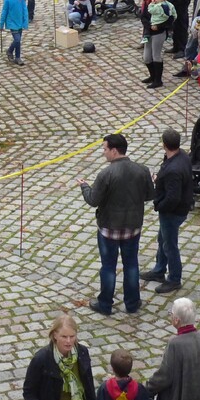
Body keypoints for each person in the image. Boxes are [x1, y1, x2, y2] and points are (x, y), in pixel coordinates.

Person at [78, 133, 155, 316]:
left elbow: (93, 200)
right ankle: (132, 303)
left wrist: (84, 186)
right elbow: (150, 195)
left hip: (108, 229)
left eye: (105, 149)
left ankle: (105, 303)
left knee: (108, 266)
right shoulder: (142, 170)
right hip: (132, 227)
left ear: (114, 150)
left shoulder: (106, 174)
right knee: (131, 265)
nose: (104, 153)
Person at [140, 129, 194, 295]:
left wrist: (159, 205)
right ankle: (159, 269)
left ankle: (174, 279)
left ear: (164, 144)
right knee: (162, 238)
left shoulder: (173, 170)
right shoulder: (182, 156)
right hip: (177, 209)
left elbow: (172, 198)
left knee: (170, 245)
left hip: (172, 212)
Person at [142, 0, 176, 89]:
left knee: (156, 55)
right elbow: (143, 17)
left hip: (159, 33)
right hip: (149, 32)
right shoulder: (150, 4)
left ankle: (158, 80)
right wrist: (149, 26)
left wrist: (159, 26)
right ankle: (152, 76)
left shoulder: (167, 7)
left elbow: (170, 19)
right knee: (147, 57)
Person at [0, 0, 29, 66]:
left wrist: (25, 22)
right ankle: (11, 51)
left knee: (18, 41)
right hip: (12, 23)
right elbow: (4, 12)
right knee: (17, 39)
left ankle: (17, 56)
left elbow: (24, 9)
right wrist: (1, 25)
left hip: (19, 22)